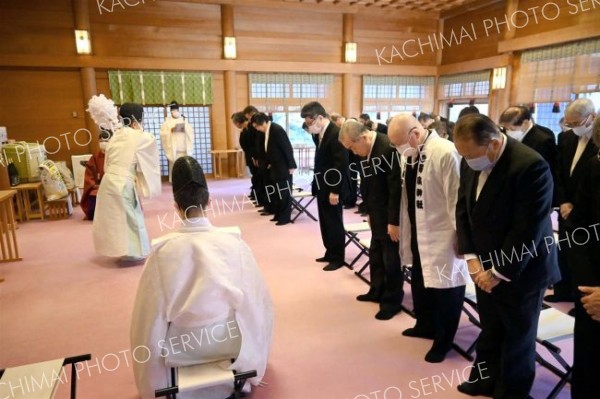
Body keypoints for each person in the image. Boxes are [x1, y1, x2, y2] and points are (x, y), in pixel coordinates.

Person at [130, 156, 273, 399]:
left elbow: (147, 320)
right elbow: (258, 304)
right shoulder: (234, 244)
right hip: (228, 343)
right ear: (209, 201)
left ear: (175, 206)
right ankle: (239, 376)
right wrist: (254, 358)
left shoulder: (162, 253)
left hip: (182, 349)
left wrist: (150, 381)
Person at [453, 114, 560, 398]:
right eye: (462, 155)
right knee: (490, 329)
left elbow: (527, 229)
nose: (466, 160)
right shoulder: (471, 160)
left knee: (517, 336)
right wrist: (472, 258)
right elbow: (463, 209)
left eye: (470, 155)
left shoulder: (530, 166)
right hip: (484, 265)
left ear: (494, 143)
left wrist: (499, 272)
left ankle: (512, 391)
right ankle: (484, 380)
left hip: (522, 268)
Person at [388, 113, 467, 363]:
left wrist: (462, 238)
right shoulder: (409, 155)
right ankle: (425, 325)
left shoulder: (445, 152)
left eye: (399, 142)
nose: (398, 148)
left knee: (446, 289)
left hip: (443, 234)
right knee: (421, 284)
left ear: (415, 133)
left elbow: (457, 199)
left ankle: (444, 341)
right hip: (419, 230)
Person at [339, 120, 404, 320]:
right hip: (375, 212)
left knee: (391, 258)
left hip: (389, 215)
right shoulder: (366, 150)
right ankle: (376, 290)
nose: (352, 151)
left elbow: (395, 190)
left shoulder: (387, 148)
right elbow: (366, 182)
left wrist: (394, 222)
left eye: (352, 147)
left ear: (364, 137)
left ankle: (392, 301)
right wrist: (366, 210)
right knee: (376, 253)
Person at [93, 103, 161, 264]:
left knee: (115, 219)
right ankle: (135, 252)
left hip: (107, 181)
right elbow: (150, 153)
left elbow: (107, 163)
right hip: (122, 182)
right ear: (135, 121)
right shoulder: (141, 137)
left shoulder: (115, 135)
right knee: (132, 217)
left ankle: (122, 250)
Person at [566, 116, 600, 398]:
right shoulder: (596, 167)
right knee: (588, 369)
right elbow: (578, 229)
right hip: (592, 293)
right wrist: (588, 288)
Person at [554, 99, 598, 303]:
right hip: (566, 208)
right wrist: (563, 202)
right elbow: (560, 173)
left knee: (584, 255)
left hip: (587, 210)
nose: (572, 127)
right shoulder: (565, 138)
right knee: (565, 250)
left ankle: (579, 296)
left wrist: (576, 207)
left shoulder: (596, 145)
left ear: (592, 117)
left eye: (576, 123)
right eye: (568, 123)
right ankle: (563, 292)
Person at [301, 101, 350, 271]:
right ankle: (329, 252)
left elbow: (340, 165)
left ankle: (338, 257)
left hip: (333, 187)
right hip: (322, 184)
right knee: (325, 221)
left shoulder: (336, 134)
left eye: (310, 122)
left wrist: (335, 190)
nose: (309, 126)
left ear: (320, 118)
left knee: (334, 222)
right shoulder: (319, 133)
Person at [498, 105, 558, 202]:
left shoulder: (543, 141)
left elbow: (549, 173)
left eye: (512, 129)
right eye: (506, 128)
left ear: (525, 123)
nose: (508, 132)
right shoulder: (505, 135)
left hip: (532, 193)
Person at [251, 112, 297, 225]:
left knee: (284, 192)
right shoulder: (267, 131)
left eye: (257, 126)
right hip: (275, 166)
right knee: (277, 192)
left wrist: (291, 165)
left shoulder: (277, 129)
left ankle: (285, 218)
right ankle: (278, 214)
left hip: (283, 167)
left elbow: (287, 148)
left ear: (263, 122)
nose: (257, 129)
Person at [80, 128, 111, 220]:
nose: (103, 143)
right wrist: (95, 186)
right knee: (94, 195)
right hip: (98, 186)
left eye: (106, 141)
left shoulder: (115, 156)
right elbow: (89, 176)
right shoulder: (95, 157)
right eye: (101, 141)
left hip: (113, 185)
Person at [160, 101, 194, 182]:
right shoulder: (167, 123)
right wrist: (170, 130)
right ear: (171, 111)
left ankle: (185, 180)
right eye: (173, 110)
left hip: (183, 148)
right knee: (175, 165)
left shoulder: (184, 120)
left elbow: (191, 131)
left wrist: (184, 128)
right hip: (174, 150)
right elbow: (163, 134)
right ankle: (175, 181)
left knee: (184, 165)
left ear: (179, 110)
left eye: (176, 110)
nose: (175, 112)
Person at [232, 112, 257, 200]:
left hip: (254, 156)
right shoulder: (244, 129)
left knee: (256, 175)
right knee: (254, 175)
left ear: (238, 122)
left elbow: (254, 144)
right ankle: (255, 193)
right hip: (249, 155)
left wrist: (255, 157)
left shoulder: (250, 128)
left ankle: (257, 194)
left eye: (234, 123)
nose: (235, 125)